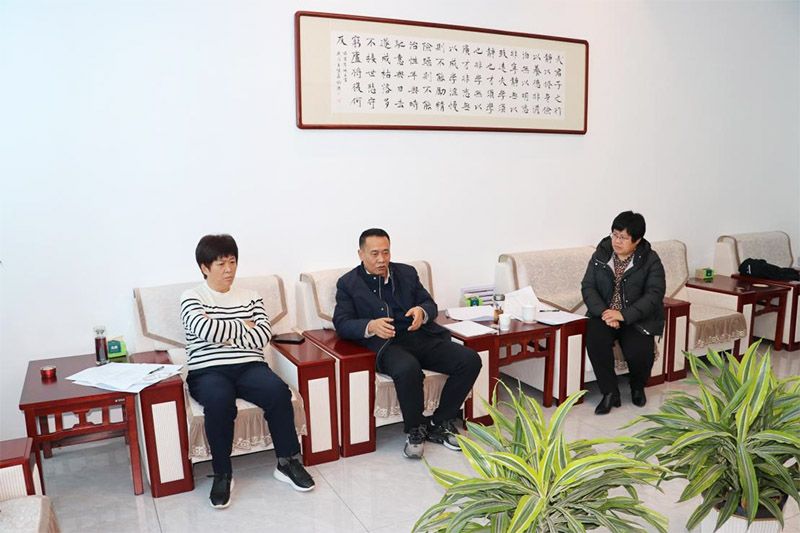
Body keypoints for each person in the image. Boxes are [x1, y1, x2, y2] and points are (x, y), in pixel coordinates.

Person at [180, 234, 314, 509]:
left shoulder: (251, 297)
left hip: (250, 365)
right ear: (204, 267)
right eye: (221, 264)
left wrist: (224, 331)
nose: (228, 269)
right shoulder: (192, 297)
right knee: (219, 401)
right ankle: (222, 474)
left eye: (232, 262)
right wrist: (243, 326)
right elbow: (203, 329)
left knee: (278, 392)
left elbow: (263, 335)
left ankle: (287, 462)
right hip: (207, 370)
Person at [333, 228, 482, 459]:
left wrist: (422, 312)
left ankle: (440, 422)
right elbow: (342, 323)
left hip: (419, 336)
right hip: (385, 345)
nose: (381, 259)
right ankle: (415, 429)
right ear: (361, 254)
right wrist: (371, 326)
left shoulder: (407, 273)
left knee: (469, 359)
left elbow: (430, 304)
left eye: (386, 252)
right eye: (374, 253)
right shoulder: (348, 283)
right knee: (407, 368)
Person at [581, 211, 666, 415]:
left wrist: (624, 315)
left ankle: (637, 387)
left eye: (623, 237)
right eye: (615, 235)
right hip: (604, 315)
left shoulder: (650, 260)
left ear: (637, 240)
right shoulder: (601, 254)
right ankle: (609, 392)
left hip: (636, 317)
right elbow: (588, 286)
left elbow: (654, 294)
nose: (617, 241)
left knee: (640, 351)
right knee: (596, 339)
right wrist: (605, 312)